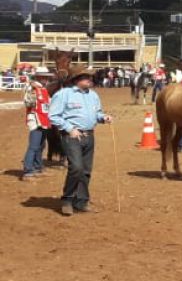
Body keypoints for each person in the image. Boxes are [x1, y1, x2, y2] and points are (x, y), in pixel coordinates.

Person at [47, 68, 113, 216]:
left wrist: (103, 117)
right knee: (76, 168)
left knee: (86, 170)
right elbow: (53, 116)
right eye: (85, 77)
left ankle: (81, 200)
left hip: (89, 136)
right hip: (72, 136)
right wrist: (69, 128)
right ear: (77, 79)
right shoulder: (63, 94)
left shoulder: (94, 95)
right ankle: (67, 199)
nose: (90, 79)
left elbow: (97, 113)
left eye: (90, 76)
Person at [20, 68, 53, 182]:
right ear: (38, 77)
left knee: (41, 145)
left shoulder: (43, 89)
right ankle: (28, 171)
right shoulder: (31, 87)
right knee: (34, 146)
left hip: (43, 119)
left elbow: (48, 103)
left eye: (46, 77)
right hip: (35, 119)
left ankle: (37, 168)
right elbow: (27, 102)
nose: (46, 79)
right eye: (43, 77)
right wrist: (32, 90)